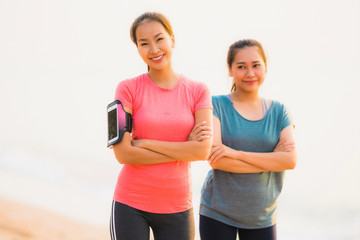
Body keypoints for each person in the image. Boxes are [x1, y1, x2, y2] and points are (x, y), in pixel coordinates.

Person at [109, 12, 213, 240]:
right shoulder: (126, 89)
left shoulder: (199, 91)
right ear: (137, 49)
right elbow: (124, 154)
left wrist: (146, 144)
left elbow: (203, 151)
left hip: (178, 208)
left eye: (159, 39)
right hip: (130, 203)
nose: (154, 49)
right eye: (144, 43)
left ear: (172, 40)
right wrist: (184, 148)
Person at [199, 39, 297, 240]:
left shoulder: (279, 112)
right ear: (230, 69)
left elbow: (289, 160)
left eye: (256, 65)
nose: (250, 73)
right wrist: (271, 161)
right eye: (241, 67)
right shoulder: (215, 105)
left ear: (265, 67)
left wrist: (236, 153)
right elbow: (217, 160)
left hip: (262, 216)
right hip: (217, 211)